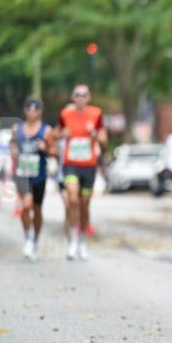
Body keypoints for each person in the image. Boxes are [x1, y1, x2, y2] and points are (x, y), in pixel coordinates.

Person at [54, 84, 106, 260]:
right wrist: (62, 134)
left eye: (84, 95)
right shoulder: (65, 114)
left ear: (89, 97)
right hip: (71, 164)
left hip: (88, 166)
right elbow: (55, 134)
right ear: (73, 97)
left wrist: (94, 134)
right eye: (77, 94)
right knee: (73, 199)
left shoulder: (96, 114)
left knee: (85, 204)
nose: (81, 98)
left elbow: (104, 140)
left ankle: (82, 240)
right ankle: (73, 241)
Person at [10, 98, 52, 260]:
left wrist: (45, 148)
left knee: (37, 209)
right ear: (25, 110)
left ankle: (35, 240)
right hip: (22, 174)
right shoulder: (17, 129)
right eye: (29, 108)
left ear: (40, 111)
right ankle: (28, 237)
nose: (32, 111)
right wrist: (13, 150)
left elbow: (54, 151)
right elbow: (12, 144)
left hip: (39, 175)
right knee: (26, 205)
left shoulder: (46, 130)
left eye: (35, 108)